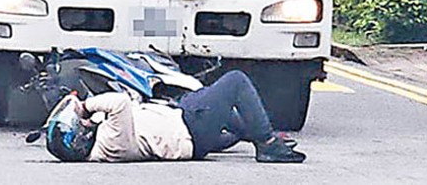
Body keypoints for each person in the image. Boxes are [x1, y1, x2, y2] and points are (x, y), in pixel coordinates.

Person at [47, 70, 306, 164]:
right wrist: (84, 106)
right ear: (79, 138)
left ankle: (261, 135)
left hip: (184, 125)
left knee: (212, 100)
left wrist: (89, 118)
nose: (83, 120)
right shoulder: (110, 142)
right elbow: (120, 102)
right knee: (235, 82)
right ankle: (268, 145)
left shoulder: (101, 145)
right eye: (79, 123)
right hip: (190, 126)